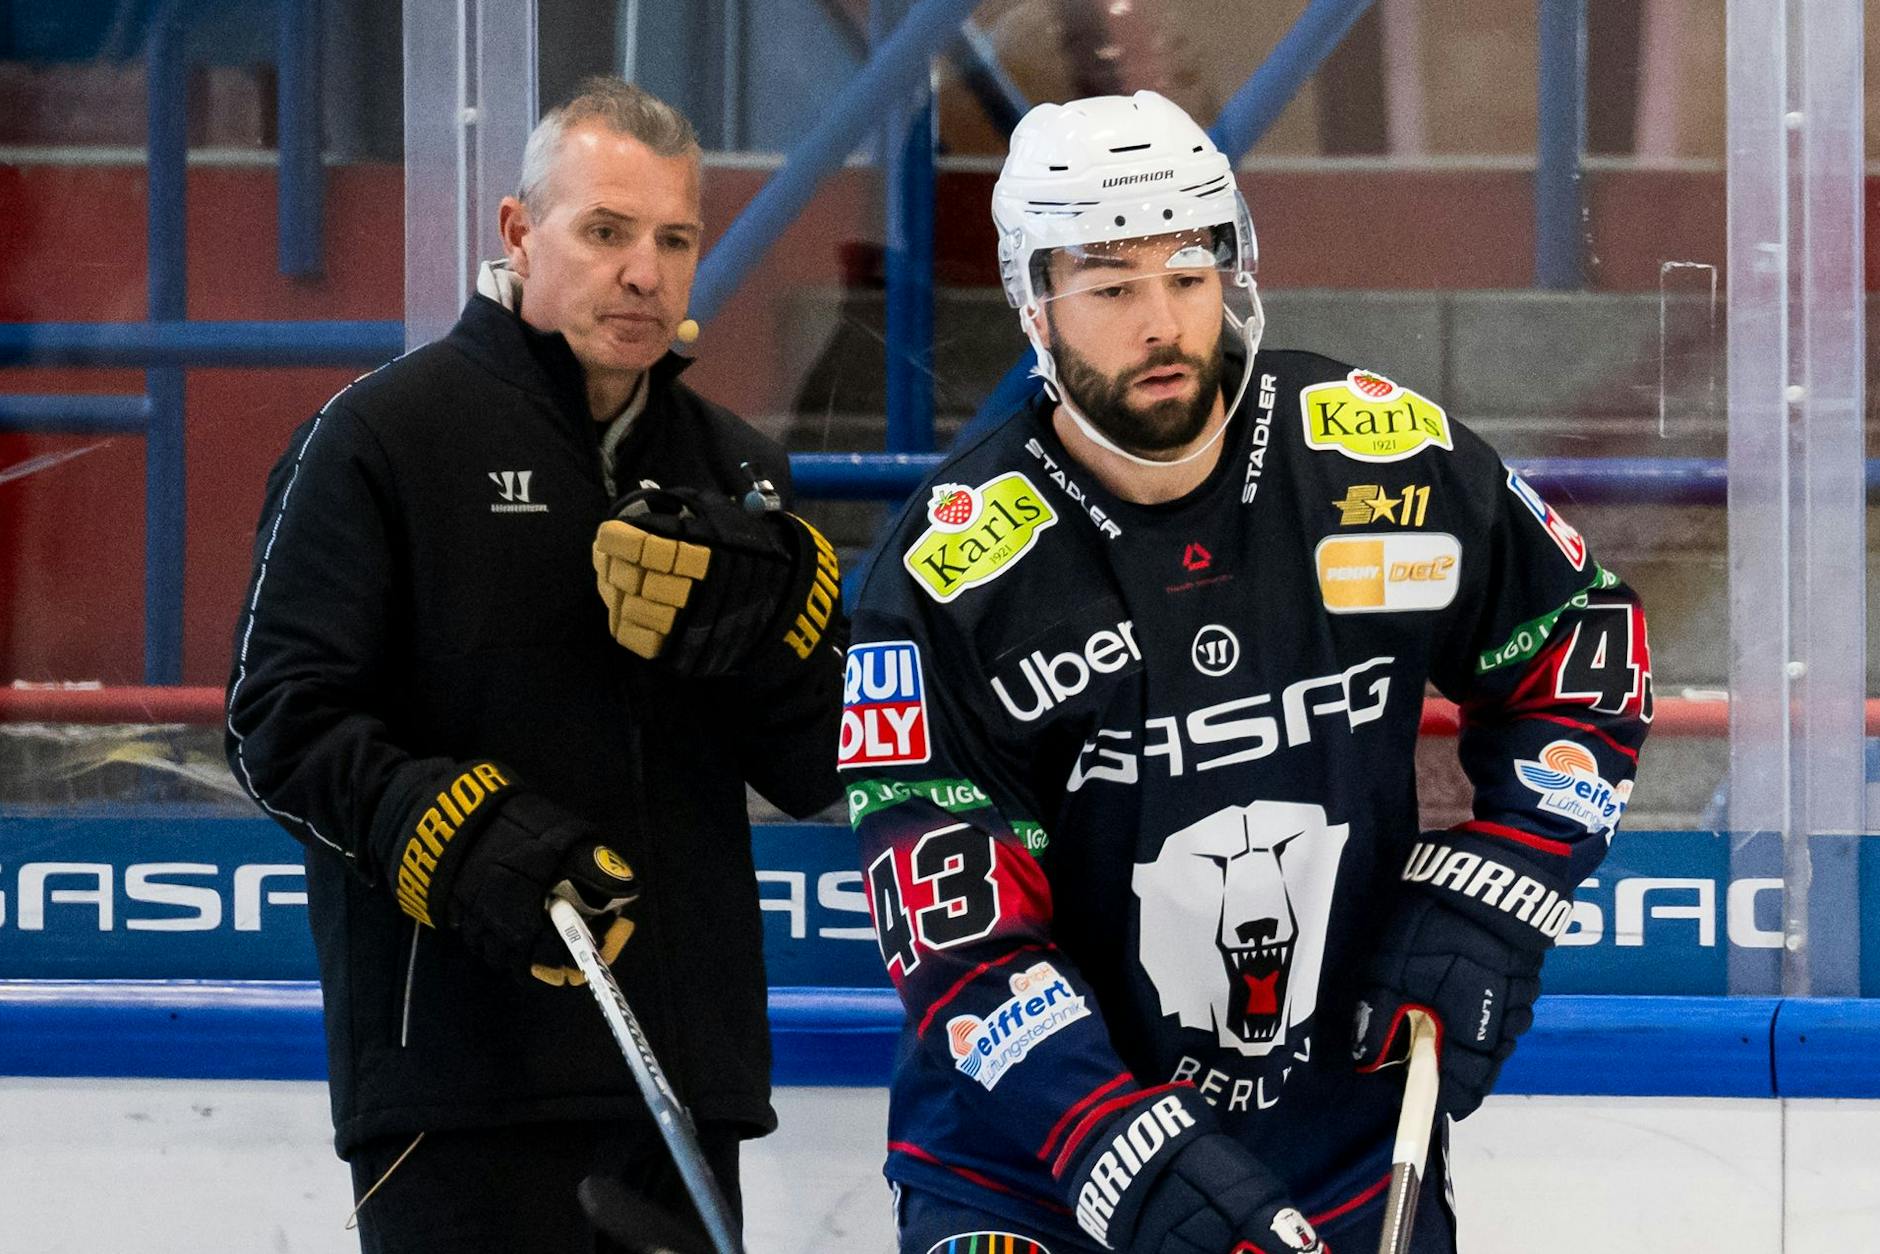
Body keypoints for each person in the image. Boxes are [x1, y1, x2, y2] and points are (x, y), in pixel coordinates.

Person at [841, 90, 1651, 1254]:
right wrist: (1125, 1152)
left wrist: (1501, 885)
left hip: (1340, 1150)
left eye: (1186, 270)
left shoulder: (1377, 460)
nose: (1161, 320)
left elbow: (1584, 654)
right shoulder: (949, 572)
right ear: (1032, 303)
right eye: (1109, 286)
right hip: (1031, 1178)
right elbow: (954, 936)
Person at [225, 77, 846, 1252]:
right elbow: (276, 726)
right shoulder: (380, 437)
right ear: (518, 232)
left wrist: (785, 637)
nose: (644, 273)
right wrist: (458, 839)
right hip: (455, 1089)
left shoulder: (739, 474)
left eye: (673, 239)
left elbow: (815, 765)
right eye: (604, 232)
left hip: (680, 1080)